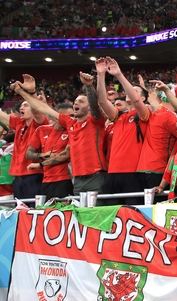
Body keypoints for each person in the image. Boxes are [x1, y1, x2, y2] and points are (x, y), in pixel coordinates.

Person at [18, 72, 108, 195]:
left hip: (96, 176)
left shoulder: (95, 121)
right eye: (75, 101)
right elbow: (43, 109)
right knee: (79, 213)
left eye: (80, 101)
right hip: (77, 179)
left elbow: (95, 106)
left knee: (97, 212)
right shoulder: (70, 123)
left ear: (88, 108)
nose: (76, 103)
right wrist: (23, 93)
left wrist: (88, 86)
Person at [96, 57, 153, 205]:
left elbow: (136, 101)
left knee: (131, 215)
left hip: (133, 173)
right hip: (113, 172)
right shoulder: (119, 115)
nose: (130, 92)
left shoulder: (144, 114)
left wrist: (119, 75)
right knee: (108, 216)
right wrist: (101, 75)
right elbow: (102, 101)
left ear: (142, 98)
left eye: (135, 91)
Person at [3, 79, 46, 199]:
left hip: (34, 176)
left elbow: (37, 111)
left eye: (26, 105)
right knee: (20, 212)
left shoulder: (41, 124)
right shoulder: (19, 123)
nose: (22, 107)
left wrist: (30, 92)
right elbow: (2, 116)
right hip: (17, 177)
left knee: (33, 212)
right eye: (21, 105)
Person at [25, 102, 73, 200]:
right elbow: (28, 154)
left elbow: (65, 155)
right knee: (46, 211)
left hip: (65, 179)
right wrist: (42, 155)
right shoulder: (41, 130)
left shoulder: (72, 131)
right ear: (59, 114)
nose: (73, 119)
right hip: (46, 180)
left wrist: (40, 164)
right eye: (70, 116)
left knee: (64, 211)